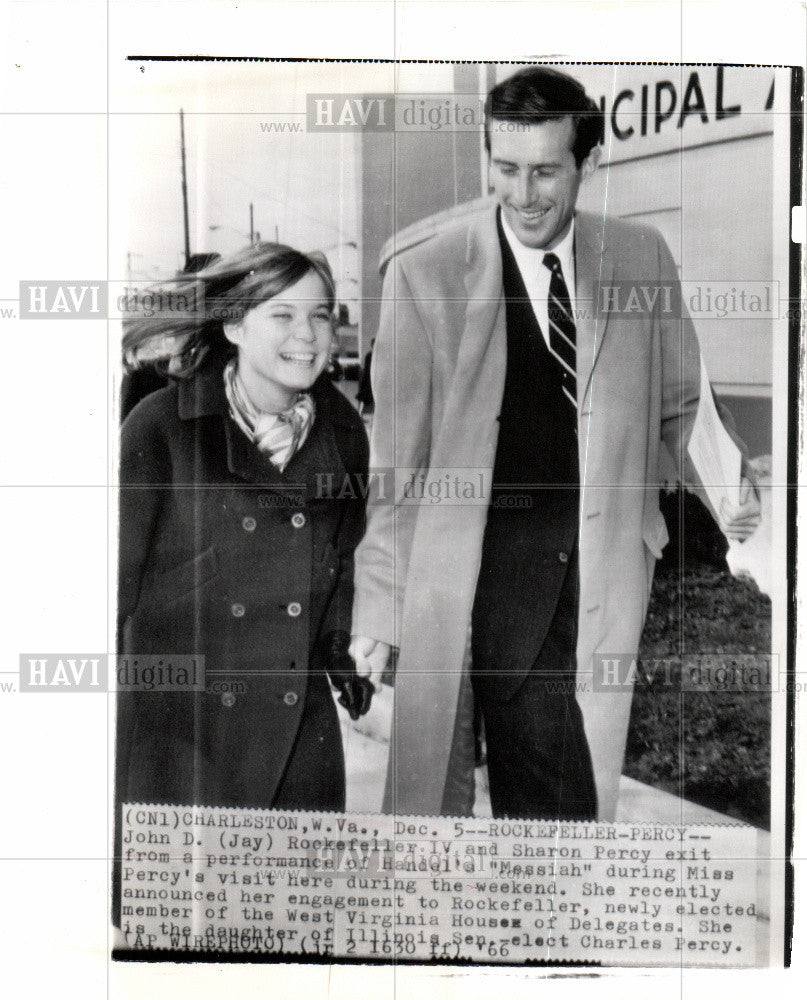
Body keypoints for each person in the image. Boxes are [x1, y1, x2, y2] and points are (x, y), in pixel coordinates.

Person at [349, 66, 760, 821]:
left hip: (601, 574)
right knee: (484, 798)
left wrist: (748, 524)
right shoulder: (425, 272)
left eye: (545, 171)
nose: (523, 193)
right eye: (504, 169)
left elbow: (683, 406)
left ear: (586, 164)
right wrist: (377, 607)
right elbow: (396, 465)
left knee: (562, 791)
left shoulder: (640, 258)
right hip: (477, 583)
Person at [115, 243, 372, 843]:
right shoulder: (159, 428)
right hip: (183, 742)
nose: (307, 335)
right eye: (282, 315)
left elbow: (343, 558)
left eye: (320, 315)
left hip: (296, 735)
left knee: (290, 922)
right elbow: (109, 592)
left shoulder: (341, 433)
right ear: (233, 323)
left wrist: (341, 653)